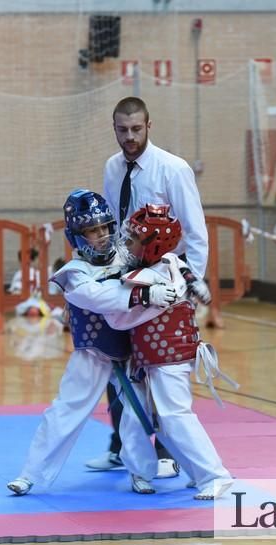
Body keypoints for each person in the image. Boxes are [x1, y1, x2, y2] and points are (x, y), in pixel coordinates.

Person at [6, 189, 177, 497]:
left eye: (104, 227)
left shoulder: (129, 257)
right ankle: (30, 474)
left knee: (137, 413)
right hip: (94, 353)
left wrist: (184, 280)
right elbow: (98, 297)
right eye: (92, 230)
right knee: (66, 409)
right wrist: (142, 294)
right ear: (77, 236)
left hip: (132, 352)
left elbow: (162, 267)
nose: (101, 235)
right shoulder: (73, 273)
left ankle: (140, 473)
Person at [85, 95, 214, 475]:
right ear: (114, 129)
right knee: (116, 361)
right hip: (126, 278)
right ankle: (121, 447)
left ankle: (168, 453)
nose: (130, 137)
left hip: (166, 283)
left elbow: (196, 231)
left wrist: (191, 287)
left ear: (149, 126)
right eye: (122, 130)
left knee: (158, 367)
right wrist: (104, 271)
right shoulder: (112, 167)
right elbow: (114, 227)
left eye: (136, 129)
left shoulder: (172, 169)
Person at [70, 204, 232, 499]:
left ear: (153, 244)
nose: (125, 244)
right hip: (146, 359)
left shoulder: (160, 275)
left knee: (175, 415)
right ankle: (166, 474)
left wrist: (180, 288)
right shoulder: (150, 270)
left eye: (132, 239)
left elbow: (125, 314)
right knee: (141, 418)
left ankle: (215, 475)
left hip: (169, 357)